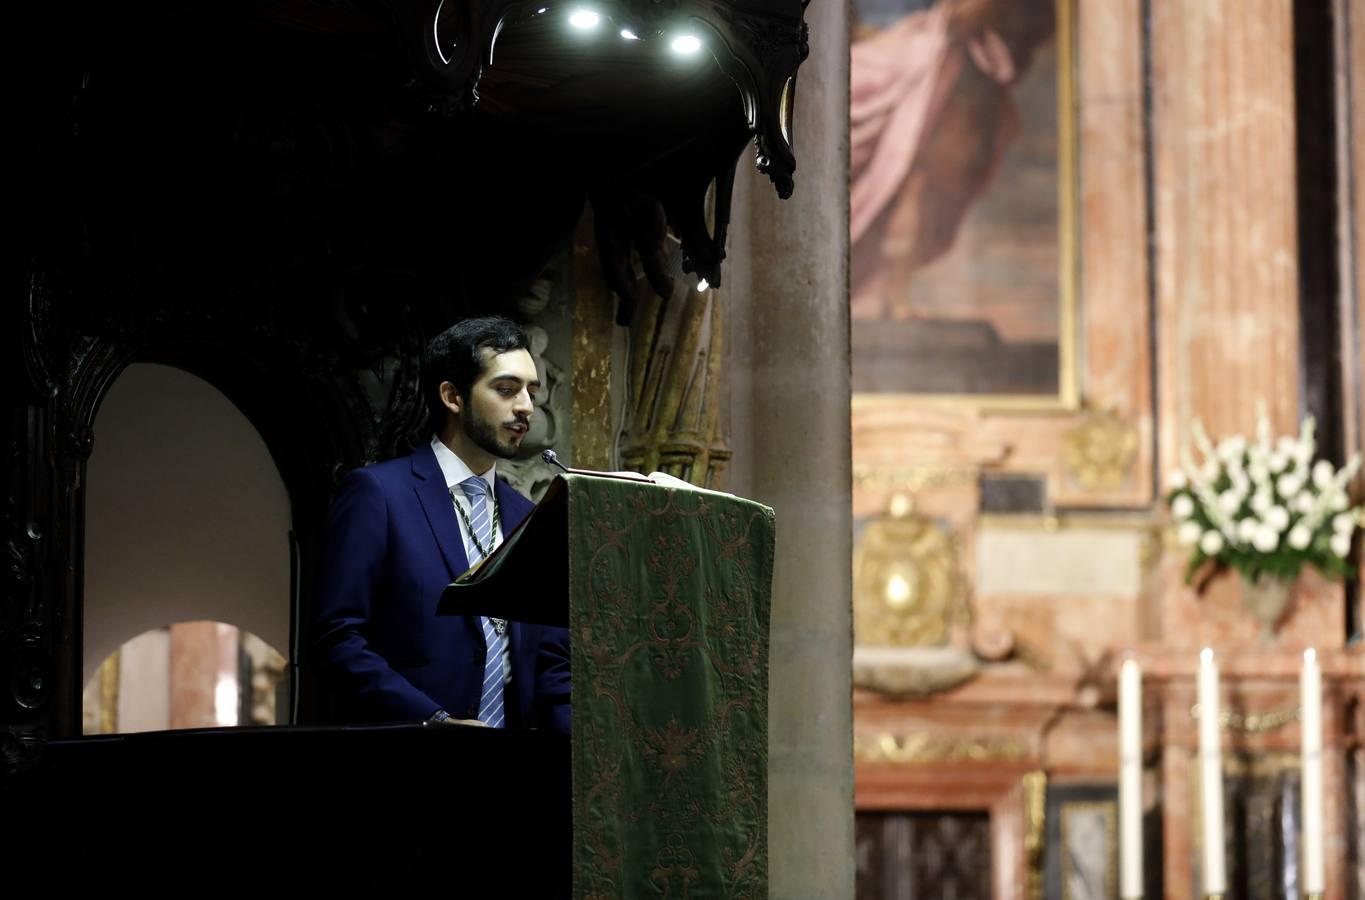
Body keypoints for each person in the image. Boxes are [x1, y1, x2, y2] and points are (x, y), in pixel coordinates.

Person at [311, 316, 571, 731]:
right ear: (452, 396)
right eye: (506, 390)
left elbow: (551, 664)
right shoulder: (378, 494)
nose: (525, 406)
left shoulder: (528, 516)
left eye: (531, 392)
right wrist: (433, 721)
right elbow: (336, 639)